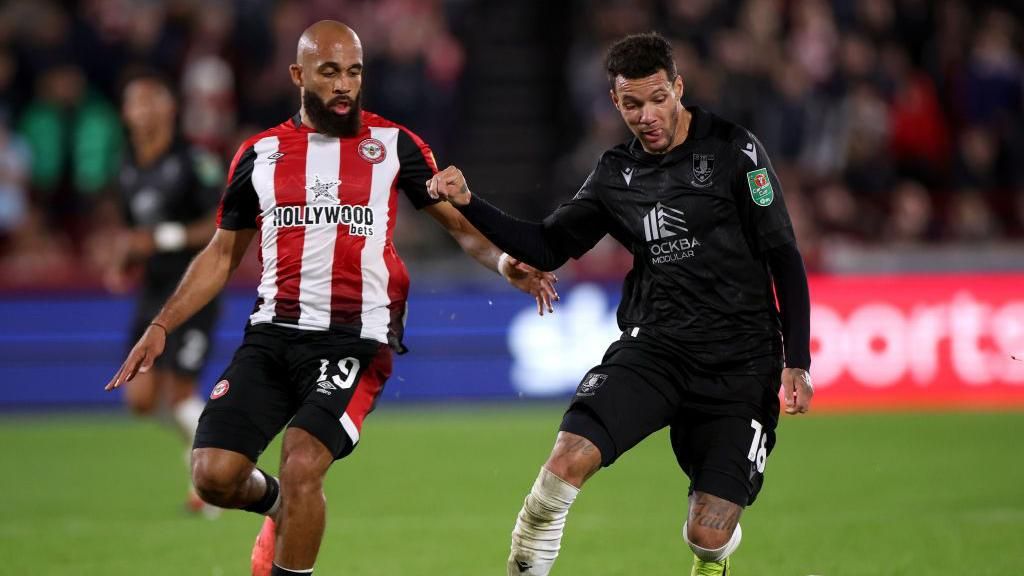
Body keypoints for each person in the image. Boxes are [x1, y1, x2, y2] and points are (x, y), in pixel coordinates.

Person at [105, 20, 557, 576]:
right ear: (298, 75)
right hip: (272, 335)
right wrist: (162, 324)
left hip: (355, 340)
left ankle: (291, 527)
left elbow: (460, 227)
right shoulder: (260, 153)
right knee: (213, 474)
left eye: (353, 71)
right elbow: (222, 255)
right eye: (329, 72)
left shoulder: (395, 145)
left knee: (302, 465)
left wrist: (506, 262)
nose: (344, 84)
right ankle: (278, 509)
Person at [428, 32, 813, 575]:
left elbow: (784, 255)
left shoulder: (734, 150)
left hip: (741, 364)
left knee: (707, 533)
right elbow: (547, 245)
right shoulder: (616, 174)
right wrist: (471, 204)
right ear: (615, 101)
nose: (647, 115)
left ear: (678, 88)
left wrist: (797, 360)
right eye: (632, 104)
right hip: (657, 349)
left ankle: (711, 563)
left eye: (658, 99)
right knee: (564, 463)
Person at [105, 69, 223, 517]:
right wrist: (124, 259)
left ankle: (215, 483)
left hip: (193, 288)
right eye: (135, 102)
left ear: (170, 109)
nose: (143, 110)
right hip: (153, 292)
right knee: (139, 400)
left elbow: (218, 225)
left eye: (152, 99)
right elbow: (133, 232)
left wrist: (159, 240)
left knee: (178, 393)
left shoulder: (195, 161)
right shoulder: (127, 166)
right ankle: (199, 448)